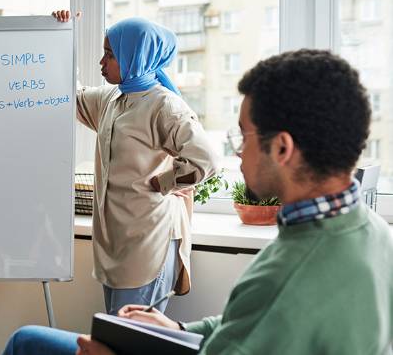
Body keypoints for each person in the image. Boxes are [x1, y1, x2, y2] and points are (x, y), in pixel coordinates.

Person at [35, 49, 393, 355]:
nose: (237, 152)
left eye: (244, 135)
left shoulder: (293, 274)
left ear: (282, 148)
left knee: (28, 341)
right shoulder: (370, 231)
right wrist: (175, 327)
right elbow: (245, 322)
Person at [57, 11, 220, 314]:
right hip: (115, 242)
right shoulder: (112, 99)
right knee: (118, 335)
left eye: (110, 54)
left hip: (148, 242)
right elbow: (70, 95)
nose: (101, 63)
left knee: (131, 339)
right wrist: (61, 35)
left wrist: (166, 181)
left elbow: (207, 158)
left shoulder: (164, 105)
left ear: (135, 56)